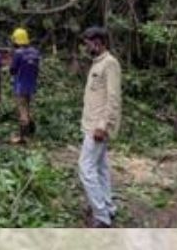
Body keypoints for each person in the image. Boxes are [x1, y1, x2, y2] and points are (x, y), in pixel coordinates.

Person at [78, 26, 121, 228]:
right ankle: (107, 206)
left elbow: (113, 99)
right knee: (101, 168)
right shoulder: (97, 64)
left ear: (99, 42)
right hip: (91, 124)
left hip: (98, 127)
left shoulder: (110, 64)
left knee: (85, 168)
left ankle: (101, 216)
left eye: (88, 43)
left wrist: (103, 126)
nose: (86, 47)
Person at [9, 27, 40, 144]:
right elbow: (36, 69)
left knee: (22, 110)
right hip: (31, 85)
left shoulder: (18, 53)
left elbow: (12, 70)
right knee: (27, 107)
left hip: (20, 85)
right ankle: (32, 131)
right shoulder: (35, 52)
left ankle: (23, 137)